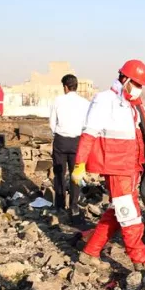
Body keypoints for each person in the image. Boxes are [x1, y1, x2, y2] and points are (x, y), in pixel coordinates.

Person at [71, 59, 145, 283]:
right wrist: (79, 164)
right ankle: (141, 262)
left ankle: (89, 253)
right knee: (129, 215)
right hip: (116, 167)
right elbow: (89, 133)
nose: (139, 89)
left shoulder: (130, 105)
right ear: (126, 79)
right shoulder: (105, 100)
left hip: (130, 167)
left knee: (116, 211)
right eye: (137, 84)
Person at [50, 74, 89, 223]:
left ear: (65, 87)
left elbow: (52, 123)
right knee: (76, 175)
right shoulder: (85, 103)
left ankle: (60, 205)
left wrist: (58, 133)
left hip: (60, 140)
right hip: (77, 142)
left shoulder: (58, 101)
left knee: (59, 173)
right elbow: (86, 125)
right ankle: (74, 206)